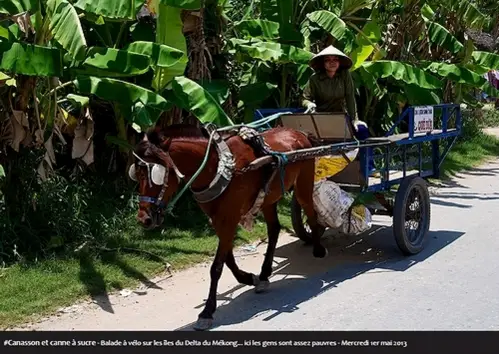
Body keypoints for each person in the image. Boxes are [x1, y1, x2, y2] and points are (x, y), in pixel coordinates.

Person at [301, 45, 375, 174]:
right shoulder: (314, 79)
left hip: (341, 117)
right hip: (321, 118)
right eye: (328, 60)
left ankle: (368, 167)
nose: (332, 63)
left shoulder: (344, 75)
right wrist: (309, 104)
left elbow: (350, 98)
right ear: (323, 63)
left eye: (335, 60)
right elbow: (304, 98)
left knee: (362, 130)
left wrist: (355, 120)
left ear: (339, 62)